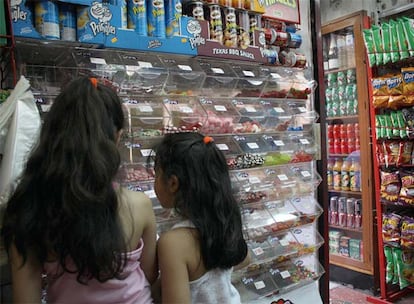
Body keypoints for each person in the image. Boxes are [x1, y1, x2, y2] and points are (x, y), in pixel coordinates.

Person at [1, 77, 158, 303]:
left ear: (52, 135)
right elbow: (150, 274)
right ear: (117, 137)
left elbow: (26, 299)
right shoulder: (139, 206)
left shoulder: (29, 209)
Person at [151, 132, 250, 303]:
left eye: (156, 174)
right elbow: (245, 258)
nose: (155, 181)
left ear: (173, 183)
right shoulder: (224, 219)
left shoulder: (173, 242)